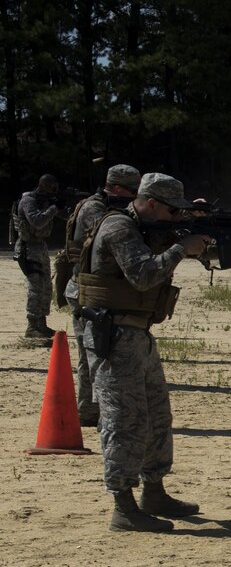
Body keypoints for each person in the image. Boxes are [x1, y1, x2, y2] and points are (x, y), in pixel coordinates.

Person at [72, 172, 209, 533]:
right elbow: (143, 275)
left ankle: (154, 492)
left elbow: (193, 243)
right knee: (125, 421)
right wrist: (182, 249)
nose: (176, 218)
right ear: (151, 203)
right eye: (171, 211)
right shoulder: (118, 227)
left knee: (156, 415)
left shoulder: (147, 225)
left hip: (137, 334)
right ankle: (123, 506)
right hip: (114, 335)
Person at [59, 164, 142, 425]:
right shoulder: (94, 208)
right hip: (86, 289)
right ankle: (89, 412)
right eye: (132, 191)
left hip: (94, 289)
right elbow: (108, 237)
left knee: (96, 354)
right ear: (116, 187)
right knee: (92, 355)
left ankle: (90, 411)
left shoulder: (105, 205)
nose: (133, 197)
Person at [11, 173, 63, 342]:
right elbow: (37, 221)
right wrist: (54, 208)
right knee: (36, 286)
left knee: (46, 286)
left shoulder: (45, 201)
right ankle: (32, 326)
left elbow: (64, 217)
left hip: (40, 246)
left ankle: (41, 323)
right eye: (51, 187)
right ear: (42, 185)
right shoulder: (28, 201)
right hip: (27, 247)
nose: (54, 191)